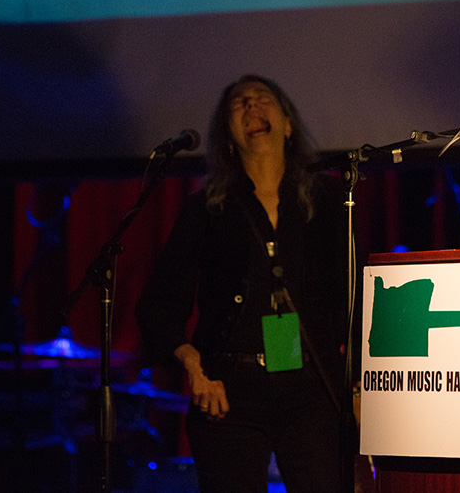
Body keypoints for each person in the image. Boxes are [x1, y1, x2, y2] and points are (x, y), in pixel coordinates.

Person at [136, 75, 347, 493]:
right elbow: (159, 303)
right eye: (239, 103)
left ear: (288, 124)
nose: (252, 107)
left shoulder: (327, 200)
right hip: (229, 390)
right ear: (228, 139)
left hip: (310, 387)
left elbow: (354, 294)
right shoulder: (206, 208)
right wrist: (194, 367)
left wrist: (356, 385)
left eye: (263, 98)